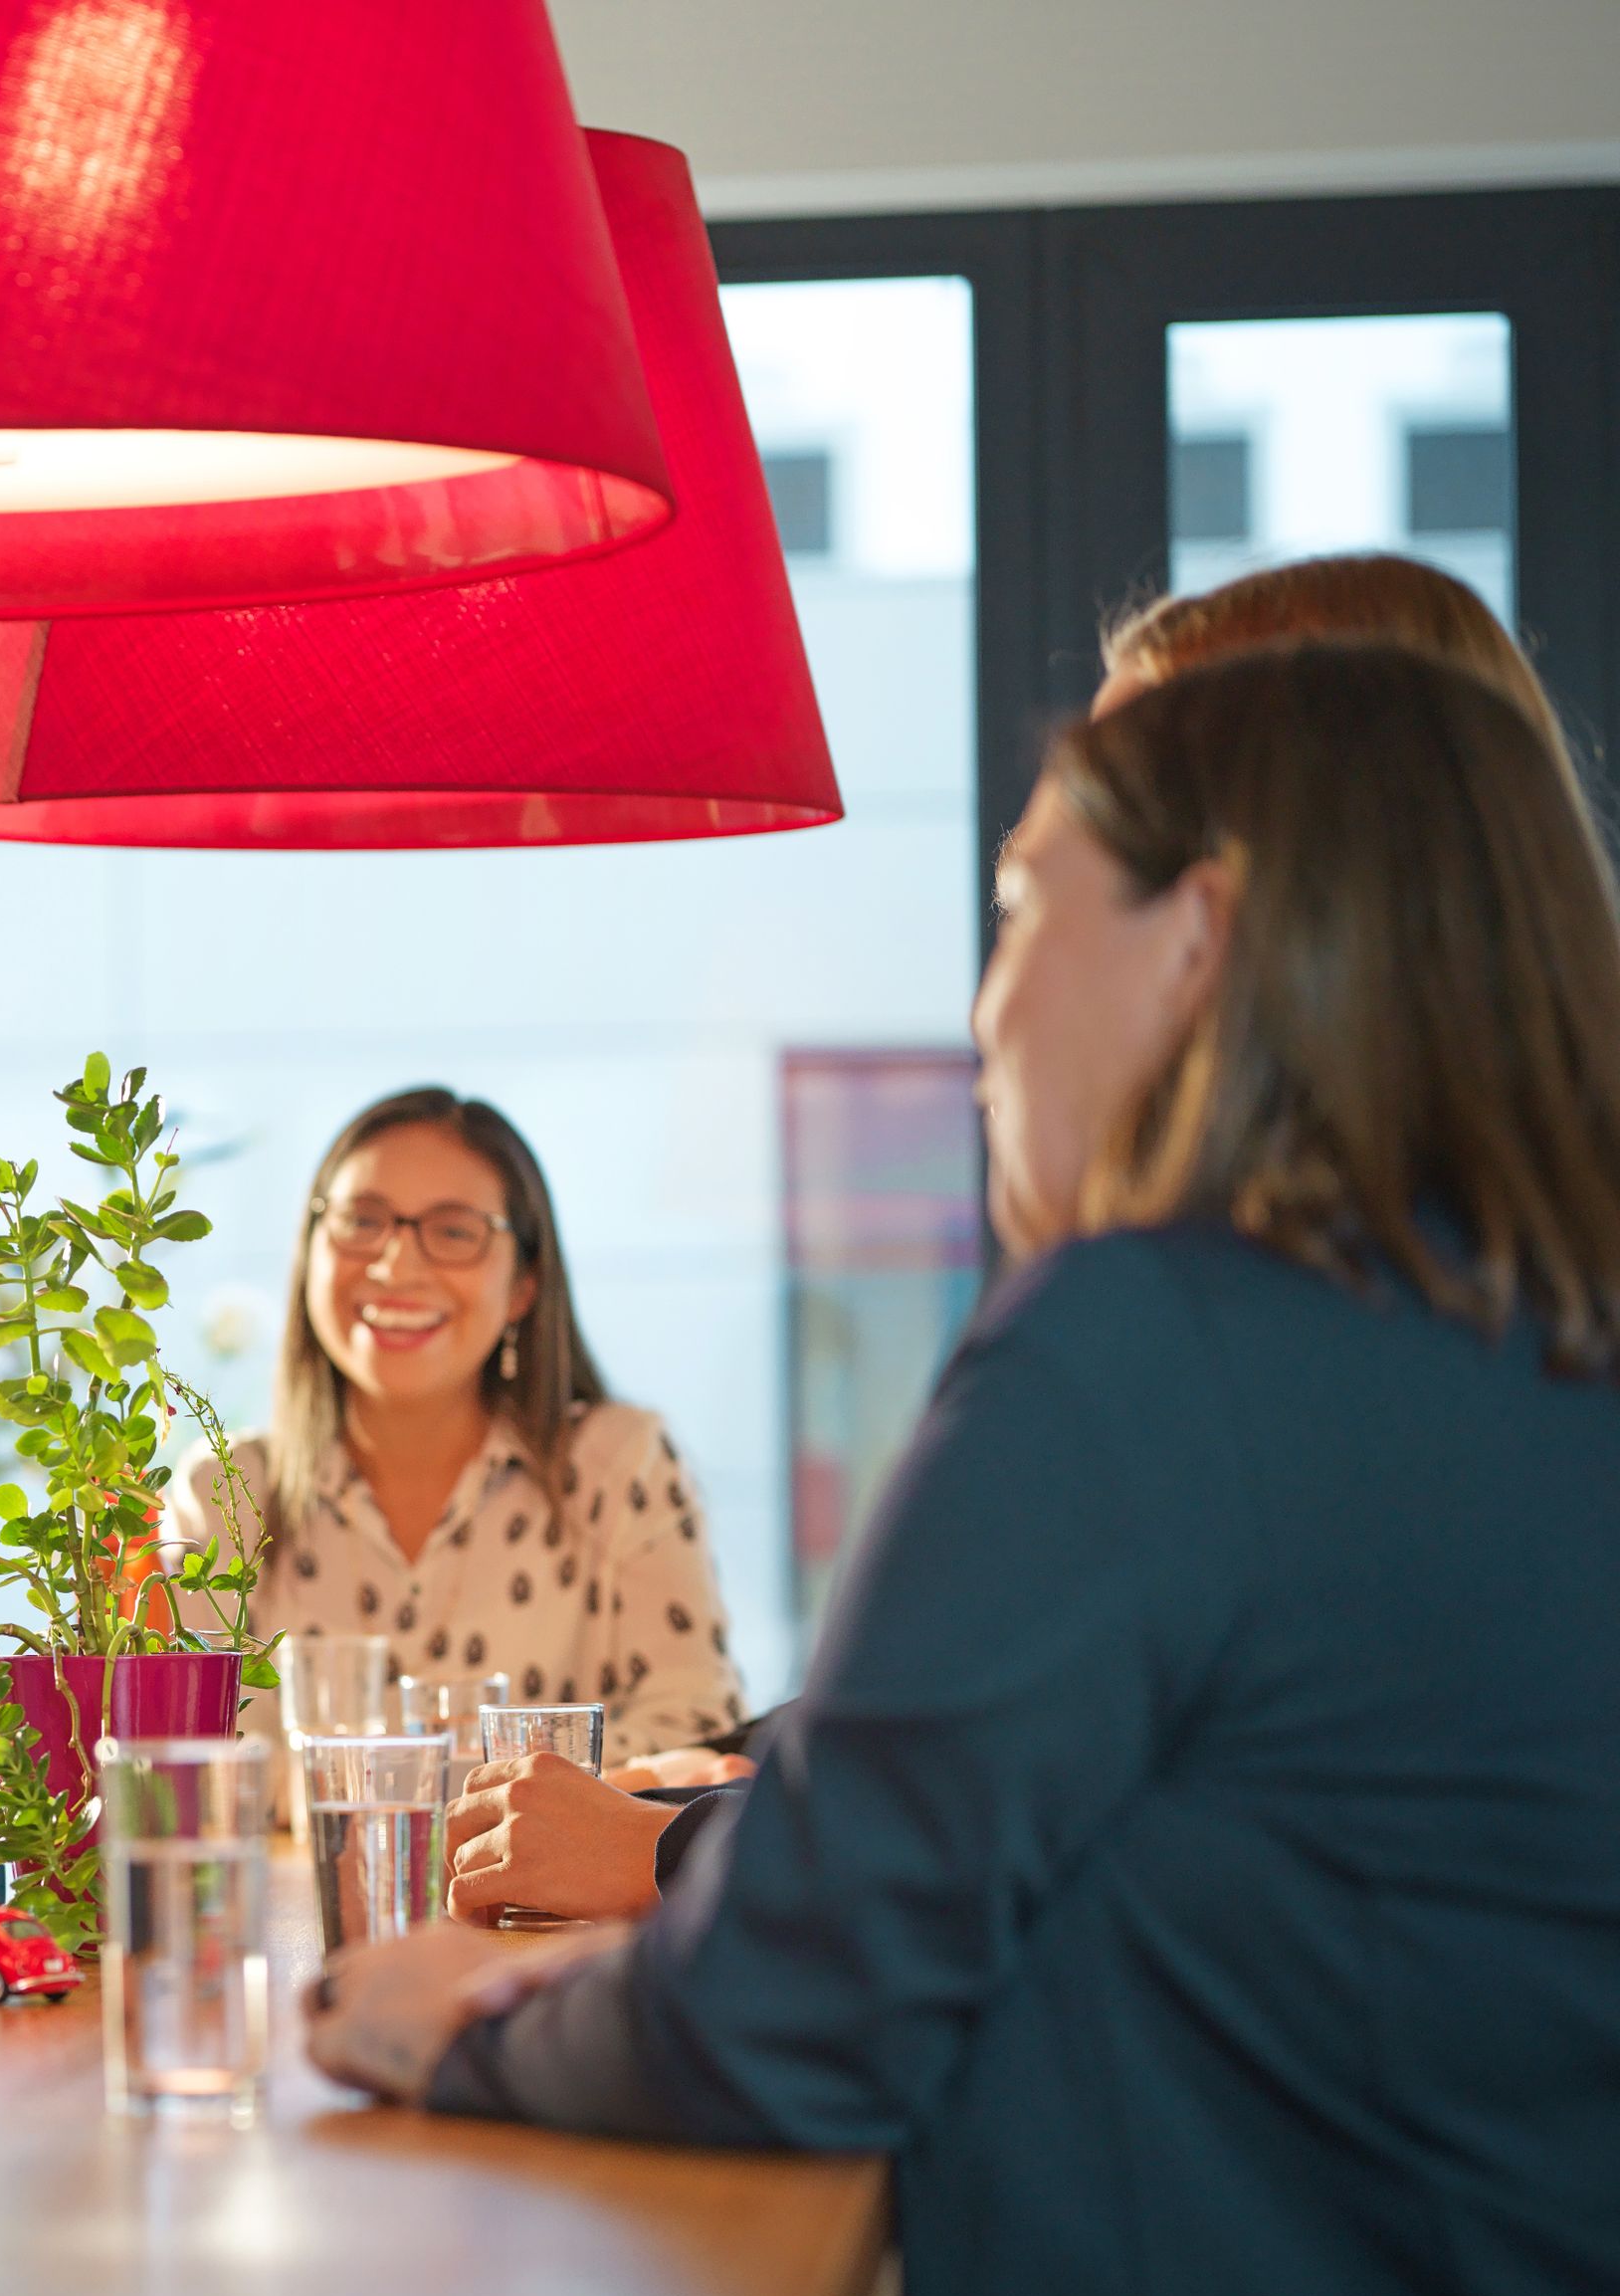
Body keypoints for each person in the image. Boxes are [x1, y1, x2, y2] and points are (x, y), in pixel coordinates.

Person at [312, 643, 1620, 2296]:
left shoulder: (1147, 1349)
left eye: (1025, 908)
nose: (990, 997)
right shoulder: (1523, 1336)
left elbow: (800, 2003)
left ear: (1199, 934)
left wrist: (463, 2028)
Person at [444, 549, 1606, 1930]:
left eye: (1107, 840)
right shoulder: (1496, 1296)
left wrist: (666, 1862)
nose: (999, 1003)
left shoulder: (1169, 1342)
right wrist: (745, 1789)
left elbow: (1014, 1865)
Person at [168, 1086, 742, 1770]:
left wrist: (429, 1790)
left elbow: (699, 1731)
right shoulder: (225, 1494)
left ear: (525, 1285)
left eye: (454, 1233)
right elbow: (191, 1765)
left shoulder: (620, 1467)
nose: (395, 1266)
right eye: (362, 1221)